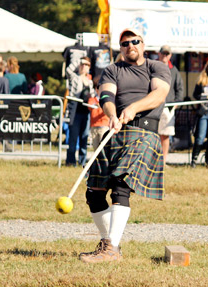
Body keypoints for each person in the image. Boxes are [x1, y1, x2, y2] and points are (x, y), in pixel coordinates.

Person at [78, 28, 171, 263]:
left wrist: (133, 108)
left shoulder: (156, 67)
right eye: (125, 43)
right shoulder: (111, 70)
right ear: (120, 48)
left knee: (121, 184)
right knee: (94, 191)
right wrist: (111, 114)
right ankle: (110, 245)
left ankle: (111, 248)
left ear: (143, 44)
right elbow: (106, 97)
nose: (130, 45)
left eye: (135, 41)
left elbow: (159, 94)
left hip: (144, 133)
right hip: (116, 131)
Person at [64, 57, 93, 166]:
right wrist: (79, 61)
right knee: (73, 138)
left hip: (86, 113)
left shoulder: (89, 81)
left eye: (86, 65)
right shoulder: (74, 77)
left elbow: (93, 96)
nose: (83, 66)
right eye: (82, 64)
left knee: (84, 139)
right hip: (75, 113)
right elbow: (68, 70)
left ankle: (82, 161)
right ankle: (70, 162)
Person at [157, 45, 184, 163]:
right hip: (153, 105)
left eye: (167, 54)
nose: (164, 56)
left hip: (168, 106)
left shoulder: (174, 70)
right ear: (159, 54)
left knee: (165, 135)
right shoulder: (153, 67)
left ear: (170, 55)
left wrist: (177, 103)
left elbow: (180, 88)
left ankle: (163, 161)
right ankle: (154, 161)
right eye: (163, 53)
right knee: (153, 135)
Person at [88, 76, 110, 151]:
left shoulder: (106, 99)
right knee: (95, 146)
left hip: (104, 126)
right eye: (97, 88)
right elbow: (90, 106)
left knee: (103, 148)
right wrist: (96, 104)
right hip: (94, 126)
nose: (98, 90)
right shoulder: (92, 99)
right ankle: (97, 162)